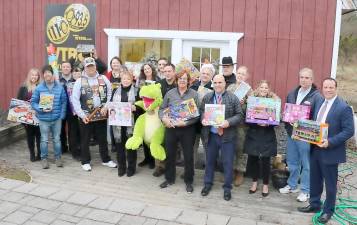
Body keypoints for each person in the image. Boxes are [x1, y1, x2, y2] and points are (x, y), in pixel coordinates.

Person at [298, 78, 354, 224]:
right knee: (315, 179)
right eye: (325, 87)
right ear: (322, 88)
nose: (328, 90)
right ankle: (315, 204)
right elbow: (315, 125)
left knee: (330, 184)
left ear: (336, 88)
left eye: (331, 87)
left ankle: (328, 211)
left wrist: (330, 142)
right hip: (316, 148)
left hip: (330, 150)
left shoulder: (343, 107)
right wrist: (299, 128)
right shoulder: (321, 103)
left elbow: (349, 131)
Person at [279, 68, 322, 202]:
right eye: (302, 77)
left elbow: (317, 118)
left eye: (307, 78)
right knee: (292, 161)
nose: (304, 80)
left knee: (306, 163)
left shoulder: (317, 97)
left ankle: (306, 190)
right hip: (292, 133)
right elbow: (286, 113)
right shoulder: (292, 93)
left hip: (305, 136)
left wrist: (309, 133)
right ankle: (292, 185)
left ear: (312, 80)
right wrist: (287, 127)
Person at [200, 74, 243, 201]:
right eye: (216, 83)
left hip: (227, 136)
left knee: (228, 163)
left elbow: (239, 115)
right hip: (211, 135)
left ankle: (227, 188)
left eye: (220, 82)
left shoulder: (232, 97)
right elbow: (202, 111)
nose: (218, 85)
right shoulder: (208, 97)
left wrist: (228, 122)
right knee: (209, 161)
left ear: (225, 83)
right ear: (213, 84)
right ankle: (207, 184)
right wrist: (203, 119)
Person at [71, 57, 117, 171]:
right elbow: (75, 100)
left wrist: (106, 106)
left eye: (92, 66)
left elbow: (110, 92)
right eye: (88, 67)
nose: (90, 68)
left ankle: (105, 159)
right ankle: (85, 161)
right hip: (86, 116)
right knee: (85, 139)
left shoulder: (103, 78)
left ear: (95, 66)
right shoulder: (79, 81)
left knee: (102, 138)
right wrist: (82, 115)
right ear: (85, 68)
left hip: (101, 114)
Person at [159, 70, 199, 193]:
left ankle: (189, 181)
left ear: (188, 81)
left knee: (188, 156)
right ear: (177, 80)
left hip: (187, 129)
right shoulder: (170, 93)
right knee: (170, 154)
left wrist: (185, 123)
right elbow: (161, 109)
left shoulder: (194, 94)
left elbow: (197, 115)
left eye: (184, 78)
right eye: (180, 78)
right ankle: (169, 178)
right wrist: (164, 119)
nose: (182, 80)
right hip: (171, 128)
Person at [244, 80, 279, 197]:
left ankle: (265, 184)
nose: (264, 89)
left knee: (265, 160)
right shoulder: (252, 101)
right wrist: (256, 123)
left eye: (266, 88)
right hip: (254, 133)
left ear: (269, 89)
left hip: (267, 134)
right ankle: (254, 182)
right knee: (253, 159)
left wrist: (269, 124)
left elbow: (277, 120)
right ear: (258, 88)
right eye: (262, 87)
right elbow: (248, 119)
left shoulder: (274, 101)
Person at [31, 65, 67, 169]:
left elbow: (64, 102)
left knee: (57, 139)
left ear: (52, 74)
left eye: (49, 72)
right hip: (44, 119)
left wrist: (62, 115)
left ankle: (58, 158)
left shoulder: (60, 87)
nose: (47, 74)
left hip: (57, 119)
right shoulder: (39, 88)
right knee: (44, 140)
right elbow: (33, 102)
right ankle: (44, 159)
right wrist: (40, 109)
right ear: (43, 75)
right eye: (45, 73)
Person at [107, 71, 139, 177]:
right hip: (118, 125)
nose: (126, 81)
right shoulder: (115, 90)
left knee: (131, 147)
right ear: (121, 80)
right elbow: (111, 104)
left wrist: (136, 108)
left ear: (132, 80)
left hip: (131, 124)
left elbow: (141, 107)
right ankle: (121, 167)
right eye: (124, 79)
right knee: (119, 147)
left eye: (128, 79)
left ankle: (131, 168)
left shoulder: (136, 91)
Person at [226, 65, 252, 186]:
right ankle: (229, 171)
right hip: (230, 123)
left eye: (243, 74)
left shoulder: (249, 90)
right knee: (229, 148)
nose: (240, 75)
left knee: (240, 149)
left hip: (242, 125)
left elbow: (252, 109)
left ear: (247, 76)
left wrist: (244, 103)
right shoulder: (230, 87)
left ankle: (240, 172)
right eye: (239, 73)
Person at [153, 63, 177, 177]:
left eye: (169, 71)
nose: (167, 73)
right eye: (165, 71)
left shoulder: (178, 83)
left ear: (174, 72)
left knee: (172, 144)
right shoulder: (159, 84)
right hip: (161, 116)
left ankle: (170, 166)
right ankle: (160, 166)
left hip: (175, 117)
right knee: (160, 141)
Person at [136, 63, 160, 168]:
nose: (146, 70)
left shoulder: (158, 80)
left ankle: (153, 160)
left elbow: (159, 96)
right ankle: (147, 158)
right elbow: (138, 95)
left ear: (152, 69)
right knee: (145, 135)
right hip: (143, 110)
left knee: (153, 135)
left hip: (154, 112)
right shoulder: (140, 82)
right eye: (144, 69)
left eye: (148, 68)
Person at [191, 64, 214, 169]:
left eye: (208, 74)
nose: (205, 75)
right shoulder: (193, 86)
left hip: (207, 121)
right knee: (192, 145)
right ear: (200, 74)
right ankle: (191, 167)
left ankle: (208, 168)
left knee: (207, 146)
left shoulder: (215, 87)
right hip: (193, 121)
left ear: (212, 76)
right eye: (203, 73)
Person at [17, 68, 42, 162]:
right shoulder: (23, 88)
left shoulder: (42, 87)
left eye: (36, 75)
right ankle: (32, 154)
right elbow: (19, 102)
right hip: (27, 117)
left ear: (38, 77)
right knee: (30, 136)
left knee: (40, 136)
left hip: (39, 116)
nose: (34, 77)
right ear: (29, 76)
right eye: (32, 75)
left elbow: (45, 101)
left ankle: (40, 154)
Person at [67, 67, 82, 161]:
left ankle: (81, 149)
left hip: (82, 112)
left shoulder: (84, 82)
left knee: (82, 132)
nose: (76, 74)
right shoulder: (69, 84)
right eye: (75, 73)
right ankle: (74, 151)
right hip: (71, 112)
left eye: (78, 72)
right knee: (73, 132)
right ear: (72, 74)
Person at [59, 61, 73, 153]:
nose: (66, 68)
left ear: (70, 68)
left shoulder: (75, 79)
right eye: (64, 67)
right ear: (61, 69)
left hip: (72, 109)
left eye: (68, 67)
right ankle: (63, 147)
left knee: (72, 129)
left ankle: (73, 147)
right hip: (61, 108)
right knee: (61, 129)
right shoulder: (57, 81)